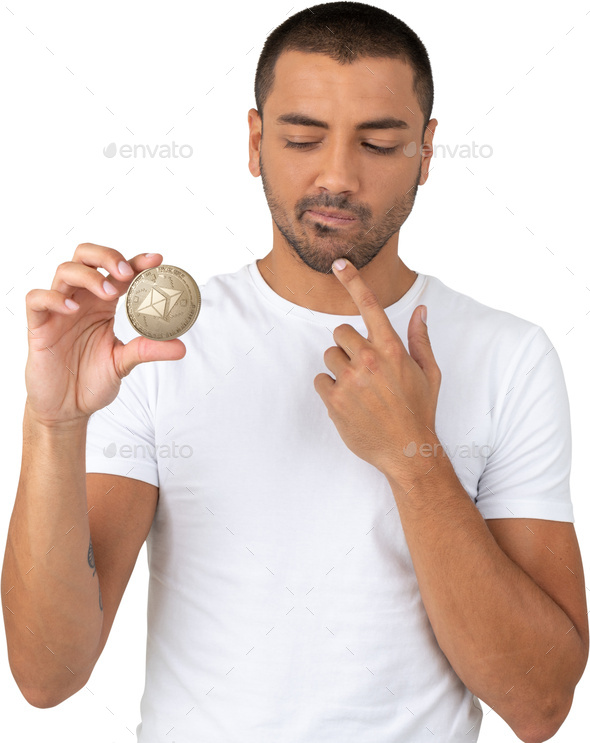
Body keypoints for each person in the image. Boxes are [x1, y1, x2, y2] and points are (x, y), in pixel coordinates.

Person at [2, 2, 588, 742]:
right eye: (303, 137)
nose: (336, 175)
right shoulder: (150, 354)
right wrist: (54, 423)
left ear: (427, 153)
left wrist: (415, 459)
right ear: (254, 142)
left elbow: (540, 705)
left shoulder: (511, 356)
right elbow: (47, 676)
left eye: (379, 142)